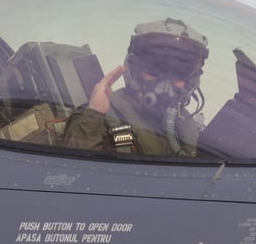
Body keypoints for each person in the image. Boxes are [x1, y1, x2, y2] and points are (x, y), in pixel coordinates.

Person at [63, 18, 209, 156]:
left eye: (179, 71)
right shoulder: (101, 118)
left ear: (190, 80)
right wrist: (93, 116)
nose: (166, 81)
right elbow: (74, 168)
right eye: (155, 67)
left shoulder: (185, 123)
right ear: (135, 68)